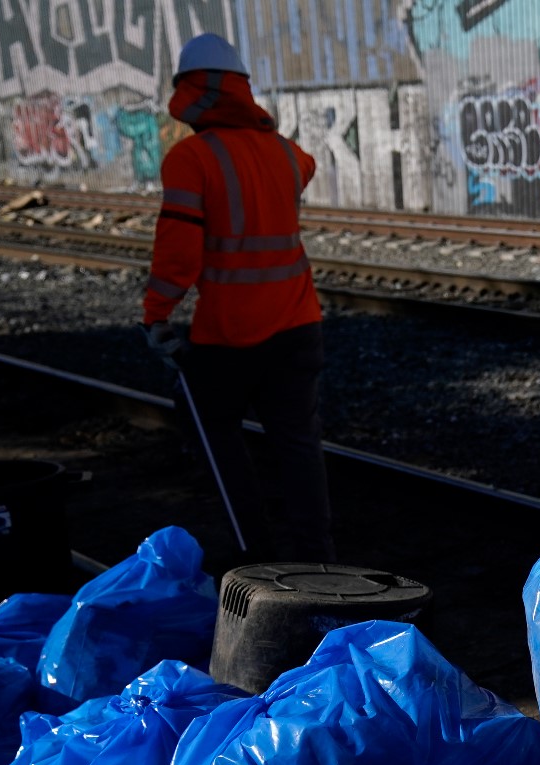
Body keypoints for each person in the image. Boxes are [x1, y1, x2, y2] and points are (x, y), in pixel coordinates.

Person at [140, 32, 335, 563]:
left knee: (211, 431)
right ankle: (317, 557)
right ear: (244, 90)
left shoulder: (190, 159)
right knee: (298, 444)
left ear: (188, 92)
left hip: (228, 335)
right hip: (298, 326)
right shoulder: (286, 155)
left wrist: (156, 315)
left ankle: (254, 555)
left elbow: (178, 257)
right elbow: (308, 163)